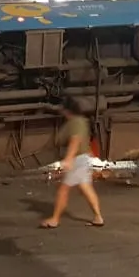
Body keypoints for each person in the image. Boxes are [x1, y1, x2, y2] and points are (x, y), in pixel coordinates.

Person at [40, 98, 104, 229]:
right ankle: (98, 217)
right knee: (86, 188)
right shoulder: (82, 121)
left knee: (63, 190)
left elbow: (75, 140)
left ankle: (55, 219)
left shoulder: (75, 122)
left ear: (67, 110)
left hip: (77, 159)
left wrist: (68, 159)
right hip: (83, 158)